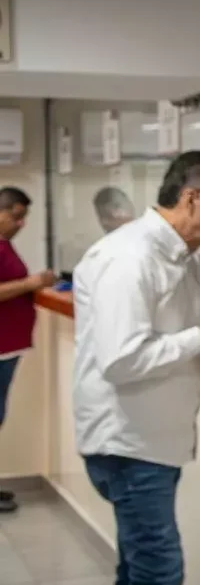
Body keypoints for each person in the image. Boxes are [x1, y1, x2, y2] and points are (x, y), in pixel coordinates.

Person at [72, 150, 200, 585]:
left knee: (138, 566)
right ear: (191, 197)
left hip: (151, 443)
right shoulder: (130, 258)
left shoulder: (179, 257)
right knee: (159, 571)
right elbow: (121, 360)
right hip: (128, 446)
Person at [0, 187, 54, 514]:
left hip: (8, 348)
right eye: (15, 216)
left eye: (24, 218)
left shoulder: (5, 245)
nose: (21, 224)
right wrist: (32, 283)